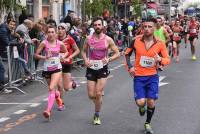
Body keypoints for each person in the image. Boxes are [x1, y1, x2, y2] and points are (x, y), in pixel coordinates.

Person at [124, 18, 170, 134]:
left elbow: (167, 59)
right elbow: (127, 54)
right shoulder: (135, 40)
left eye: (150, 27)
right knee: (140, 102)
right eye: (145, 27)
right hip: (139, 76)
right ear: (142, 28)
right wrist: (130, 67)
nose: (147, 29)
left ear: (154, 28)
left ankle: (147, 123)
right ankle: (141, 107)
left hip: (152, 76)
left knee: (151, 102)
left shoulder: (160, 43)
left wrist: (160, 59)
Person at [81, 17, 120, 125]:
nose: (97, 27)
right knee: (91, 95)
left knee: (98, 93)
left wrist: (108, 59)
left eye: (99, 25)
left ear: (103, 26)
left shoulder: (108, 39)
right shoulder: (88, 39)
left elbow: (117, 53)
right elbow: (83, 51)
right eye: (95, 25)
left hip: (103, 68)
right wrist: (85, 60)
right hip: (91, 67)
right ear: (93, 26)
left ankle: (97, 114)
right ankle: (98, 102)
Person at [34, 25, 68, 120]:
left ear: (56, 33)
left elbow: (66, 52)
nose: (51, 34)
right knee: (53, 90)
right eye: (49, 32)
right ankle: (59, 101)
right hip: (47, 69)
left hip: (57, 68)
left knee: (51, 87)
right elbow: (36, 55)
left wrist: (62, 56)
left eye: (53, 32)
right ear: (46, 34)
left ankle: (48, 110)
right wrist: (45, 57)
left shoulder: (60, 43)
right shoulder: (44, 43)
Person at [57, 23, 80, 102]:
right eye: (59, 28)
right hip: (57, 64)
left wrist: (69, 57)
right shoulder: (54, 38)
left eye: (62, 28)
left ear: (66, 30)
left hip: (67, 63)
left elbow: (77, 50)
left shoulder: (70, 39)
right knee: (59, 86)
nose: (60, 30)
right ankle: (61, 103)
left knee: (66, 88)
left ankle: (72, 82)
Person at [0, 18, 16, 91]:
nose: (12, 26)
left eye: (14, 25)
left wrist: (15, 37)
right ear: (7, 23)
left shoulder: (7, 30)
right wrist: (18, 43)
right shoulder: (3, 30)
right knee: (2, 69)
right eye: (11, 24)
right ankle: (1, 87)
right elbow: (7, 42)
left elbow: (10, 40)